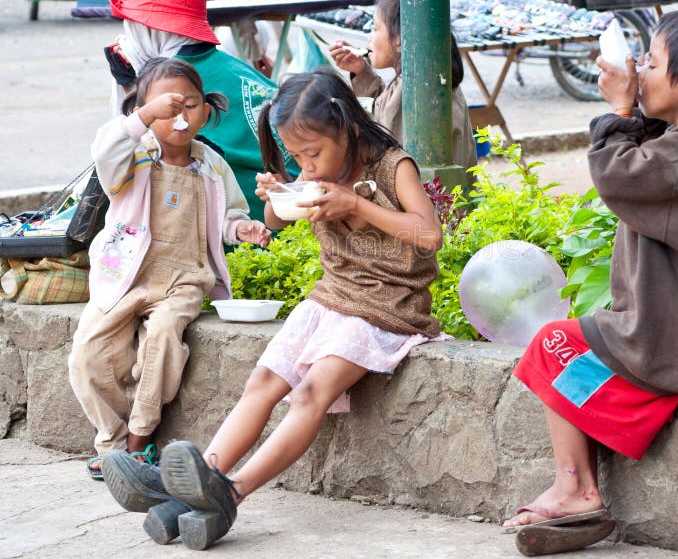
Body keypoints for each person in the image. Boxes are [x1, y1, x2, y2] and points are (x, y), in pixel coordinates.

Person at [99, 68, 446, 550]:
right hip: (331, 297)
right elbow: (274, 221)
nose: (307, 165)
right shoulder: (315, 169)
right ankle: (195, 486)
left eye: (313, 153)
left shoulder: (392, 166)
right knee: (261, 383)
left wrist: (356, 205)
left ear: (344, 127)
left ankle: (230, 493)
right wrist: (277, 198)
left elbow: (430, 235)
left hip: (388, 306)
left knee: (309, 394)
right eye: (297, 156)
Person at [500, 9, 678, 554]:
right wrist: (634, 109)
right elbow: (655, 160)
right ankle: (580, 491)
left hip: (675, 329)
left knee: (552, 346)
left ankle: (576, 488)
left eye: (651, 61)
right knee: (582, 363)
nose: (639, 68)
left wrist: (618, 109)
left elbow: (619, 175)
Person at [69, 57, 271, 481]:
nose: (179, 117)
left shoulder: (212, 166)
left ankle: (138, 443)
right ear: (141, 112)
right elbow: (104, 150)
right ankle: (111, 441)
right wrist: (142, 118)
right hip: (126, 274)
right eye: (166, 108)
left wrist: (243, 228)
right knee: (87, 354)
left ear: (206, 110)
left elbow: (228, 218)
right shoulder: (130, 157)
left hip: (184, 277)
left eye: (190, 105)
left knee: (162, 341)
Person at [106, 0, 294, 221]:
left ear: (149, 29)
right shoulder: (234, 66)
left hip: (243, 220)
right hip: (287, 208)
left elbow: (124, 161)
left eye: (132, 26)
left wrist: (131, 89)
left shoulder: (170, 84)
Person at [329, 0, 477, 184]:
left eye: (375, 28)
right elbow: (387, 113)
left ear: (400, 40)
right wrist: (361, 72)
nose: (370, 38)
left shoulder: (417, 89)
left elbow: (381, 139)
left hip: (431, 208)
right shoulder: (423, 77)